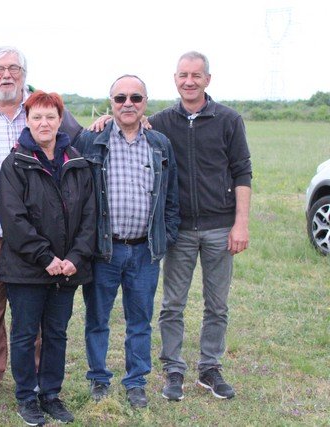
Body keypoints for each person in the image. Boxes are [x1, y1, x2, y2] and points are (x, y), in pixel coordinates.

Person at [0, 47, 83, 397]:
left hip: (41, 237)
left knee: (37, 304)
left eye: (14, 68)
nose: (6, 75)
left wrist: (108, 121)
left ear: (24, 74)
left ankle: (39, 369)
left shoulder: (45, 109)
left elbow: (83, 141)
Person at [150, 51, 252, 401]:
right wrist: (103, 122)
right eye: (183, 75)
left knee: (217, 304)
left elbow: (242, 172)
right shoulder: (161, 121)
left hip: (219, 228)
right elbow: (126, 126)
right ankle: (173, 371)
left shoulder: (228, 120)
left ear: (208, 79)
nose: (189, 81)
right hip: (179, 229)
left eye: (196, 75)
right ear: (175, 79)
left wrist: (240, 224)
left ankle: (210, 369)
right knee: (173, 304)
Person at [75, 75, 180, 408]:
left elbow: (172, 199)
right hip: (103, 250)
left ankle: (136, 382)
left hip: (145, 251)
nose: (128, 104)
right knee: (97, 319)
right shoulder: (90, 141)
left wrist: (166, 235)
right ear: (111, 103)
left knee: (140, 321)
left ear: (145, 102)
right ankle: (99, 380)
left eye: (135, 98)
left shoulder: (160, 144)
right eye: (120, 98)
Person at [0, 91, 95, 425]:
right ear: (27, 121)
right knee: (25, 334)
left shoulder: (77, 162)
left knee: (57, 333)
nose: (44, 123)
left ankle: (51, 393)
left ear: (60, 120)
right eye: (37, 117)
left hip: (67, 269)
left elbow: (89, 218)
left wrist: (75, 258)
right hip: (27, 269)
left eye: (50, 116)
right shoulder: (15, 163)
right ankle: (27, 397)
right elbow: (13, 218)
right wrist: (45, 257)